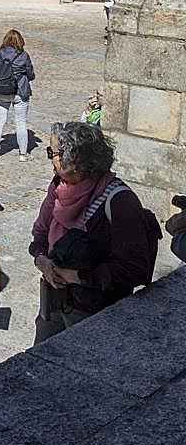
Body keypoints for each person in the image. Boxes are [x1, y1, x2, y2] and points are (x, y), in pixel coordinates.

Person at [30, 122, 152, 343]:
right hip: (53, 300)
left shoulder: (119, 201)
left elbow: (134, 269)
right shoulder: (59, 186)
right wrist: (42, 261)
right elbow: (40, 232)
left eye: (53, 153)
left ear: (75, 161)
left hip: (93, 310)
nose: (50, 159)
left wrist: (76, 276)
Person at [0, 28, 36, 161]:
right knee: (21, 122)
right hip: (20, 91)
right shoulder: (23, 55)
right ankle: (23, 154)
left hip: (1, 91)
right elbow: (31, 74)